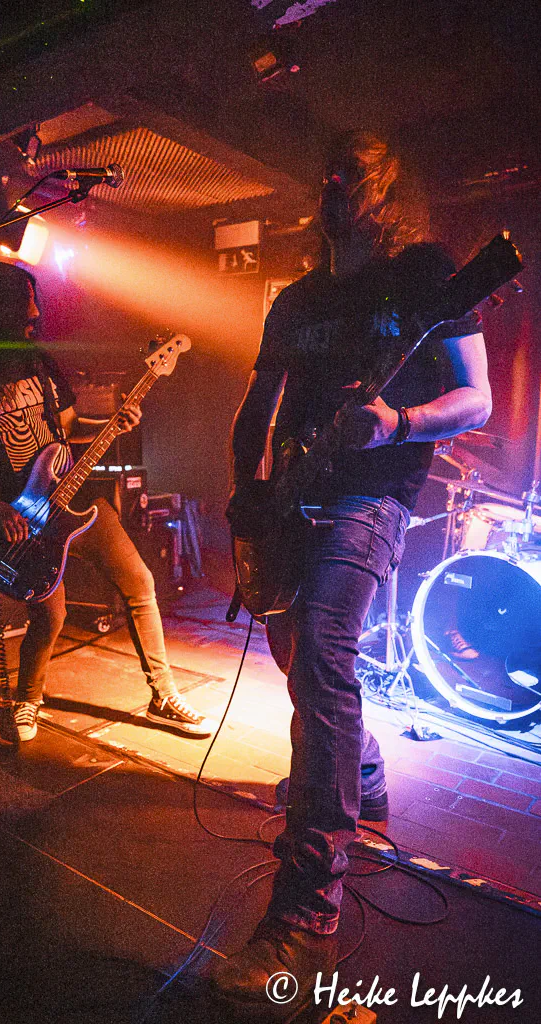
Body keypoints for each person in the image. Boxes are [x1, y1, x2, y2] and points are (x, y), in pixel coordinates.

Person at [212, 133, 491, 1013]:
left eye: (356, 174)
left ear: (387, 190)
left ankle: (305, 910)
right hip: (290, 494)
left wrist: (398, 422)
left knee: (324, 644)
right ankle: (362, 773)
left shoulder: (426, 275)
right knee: (297, 658)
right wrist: (246, 493)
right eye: (329, 174)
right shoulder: (296, 298)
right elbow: (257, 407)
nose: (337, 185)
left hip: (372, 495)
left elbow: (476, 396)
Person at [0, 261, 215, 743]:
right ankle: (27, 700)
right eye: (25, 303)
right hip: (21, 517)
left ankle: (163, 695)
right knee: (49, 616)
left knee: (140, 582)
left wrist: (114, 423)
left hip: (75, 500)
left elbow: (70, 429)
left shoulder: (40, 362)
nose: (35, 313)